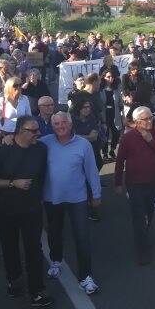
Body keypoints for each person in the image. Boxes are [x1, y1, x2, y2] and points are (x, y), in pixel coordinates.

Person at [0, 116, 53, 307]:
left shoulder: (41, 149)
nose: (38, 134)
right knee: (9, 245)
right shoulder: (1, 151)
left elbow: (43, 175)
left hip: (31, 208)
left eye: (38, 130)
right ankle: (14, 279)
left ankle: (37, 290)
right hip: (5, 209)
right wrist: (13, 183)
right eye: (33, 131)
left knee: (33, 248)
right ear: (20, 131)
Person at [41, 111, 102, 295]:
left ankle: (86, 276)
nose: (61, 127)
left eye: (64, 123)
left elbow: (91, 171)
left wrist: (96, 195)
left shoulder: (83, 145)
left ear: (70, 124)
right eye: (57, 124)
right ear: (52, 126)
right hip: (52, 197)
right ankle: (56, 260)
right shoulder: (45, 142)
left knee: (82, 236)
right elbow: (25, 141)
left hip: (78, 198)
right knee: (54, 231)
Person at [114, 105, 155, 265]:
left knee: (149, 212)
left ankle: (144, 232)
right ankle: (142, 249)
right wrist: (118, 183)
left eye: (151, 117)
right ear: (137, 122)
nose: (150, 121)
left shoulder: (154, 132)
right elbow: (120, 161)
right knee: (138, 216)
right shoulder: (128, 137)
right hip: (135, 183)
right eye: (146, 119)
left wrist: (150, 140)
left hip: (152, 181)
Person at [99, 69, 124, 160]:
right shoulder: (100, 90)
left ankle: (112, 150)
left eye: (112, 77)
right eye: (108, 77)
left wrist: (122, 115)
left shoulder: (116, 89)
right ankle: (105, 153)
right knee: (105, 135)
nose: (110, 79)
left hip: (115, 114)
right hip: (104, 115)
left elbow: (120, 103)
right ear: (104, 78)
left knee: (116, 133)